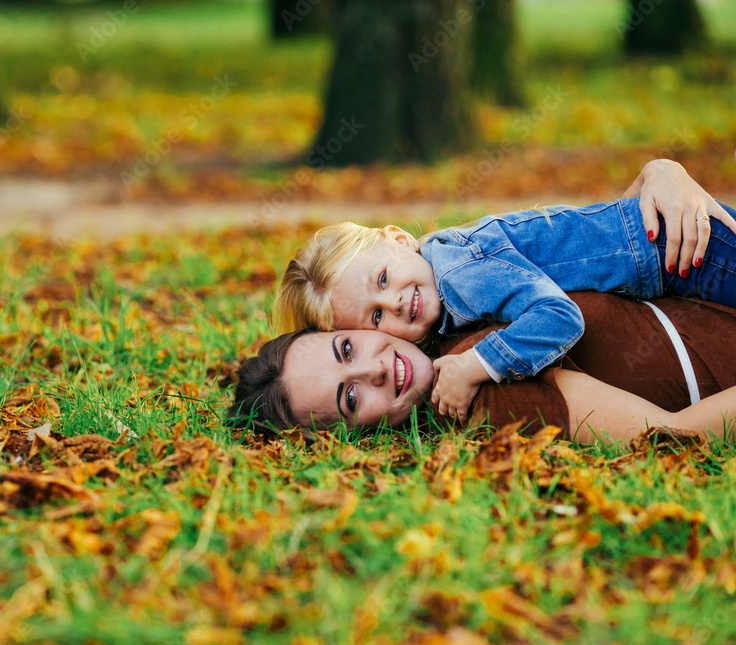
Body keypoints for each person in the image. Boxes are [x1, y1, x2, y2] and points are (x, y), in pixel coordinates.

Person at [272, 160, 736, 422]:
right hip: (672, 259)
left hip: (687, 253)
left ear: (397, 238)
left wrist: (475, 366)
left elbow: (561, 316)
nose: (393, 302)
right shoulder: (445, 280)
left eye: (382, 280)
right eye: (375, 317)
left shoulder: (458, 275)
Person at [228, 291, 736, 445]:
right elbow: (675, 436)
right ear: (355, 436)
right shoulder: (482, 397)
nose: (373, 371)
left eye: (345, 350)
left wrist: (657, 176)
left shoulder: (446, 306)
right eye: (351, 398)